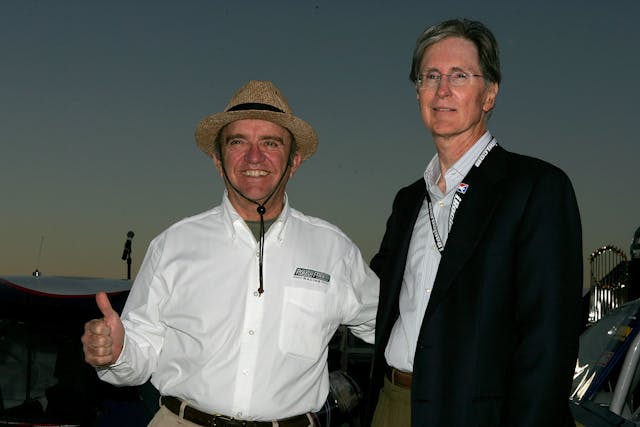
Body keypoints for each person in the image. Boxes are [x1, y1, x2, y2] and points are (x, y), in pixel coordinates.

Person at [81, 80, 378, 427]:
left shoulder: (334, 250)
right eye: (238, 142)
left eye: (271, 142)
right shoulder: (173, 245)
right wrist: (116, 353)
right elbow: (140, 351)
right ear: (219, 161)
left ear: (294, 161)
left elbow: (389, 328)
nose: (255, 157)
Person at [366, 18, 583, 427]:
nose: (442, 90)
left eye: (459, 76)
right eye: (430, 76)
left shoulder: (537, 188)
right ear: (417, 92)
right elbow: (375, 299)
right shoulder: (408, 200)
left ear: (489, 95)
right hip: (392, 406)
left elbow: (548, 342)